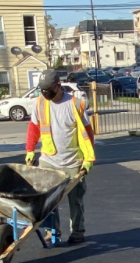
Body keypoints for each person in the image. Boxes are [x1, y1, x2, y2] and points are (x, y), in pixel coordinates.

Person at [24, 69, 94, 244]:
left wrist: (88, 160)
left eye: (49, 89)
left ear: (58, 85)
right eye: (42, 89)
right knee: (47, 199)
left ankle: (77, 231)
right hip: (48, 159)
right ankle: (52, 232)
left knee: (75, 200)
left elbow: (87, 133)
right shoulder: (39, 103)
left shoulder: (76, 104)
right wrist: (30, 150)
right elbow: (34, 128)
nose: (45, 93)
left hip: (72, 161)